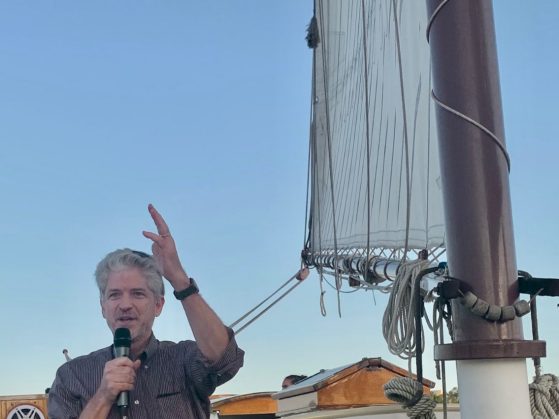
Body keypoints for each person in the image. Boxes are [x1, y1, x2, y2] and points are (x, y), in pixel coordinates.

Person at [48, 204, 245, 419]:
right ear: (102, 307)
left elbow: (224, 358)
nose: (125, 304)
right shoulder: (72, 376)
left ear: (158, 305)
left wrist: (178, 278)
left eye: (138, 294)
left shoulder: (185, 360)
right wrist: (103, 396)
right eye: (114, 295)